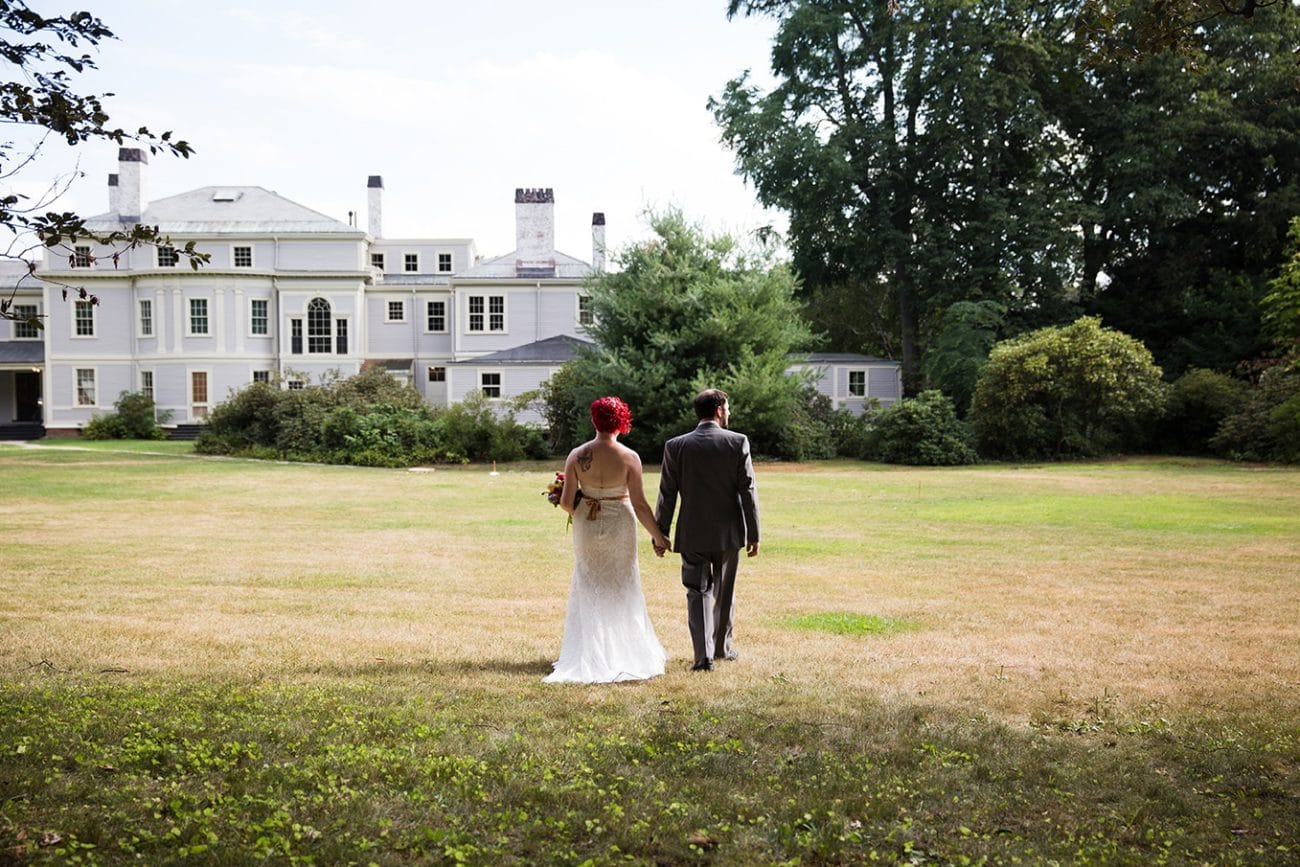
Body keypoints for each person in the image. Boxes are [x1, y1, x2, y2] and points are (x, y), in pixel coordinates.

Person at [543, 396, 672, 683]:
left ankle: (590, 651)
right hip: (620, 524)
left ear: (594, 421)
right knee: (622, 583)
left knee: (589, 580)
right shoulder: (629, 457)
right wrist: (658, 537)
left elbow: (566, 503)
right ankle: (626, 650)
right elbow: (640, 505)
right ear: (623, 422)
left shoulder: (577, 455)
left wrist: (584, 502)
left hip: (586, 523)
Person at [654, 388, 760, 672]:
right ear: (718, 410)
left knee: (697, 591)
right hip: (728, 532)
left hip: (692, 531)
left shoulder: (675, 445)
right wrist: (754, 533)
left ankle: (703, 657)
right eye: (727, 408)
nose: (729, 413)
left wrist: (660, 532)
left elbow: (667, 493)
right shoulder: (738, 442)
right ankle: (722, 649)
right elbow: (747, 491)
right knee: (724, 591)